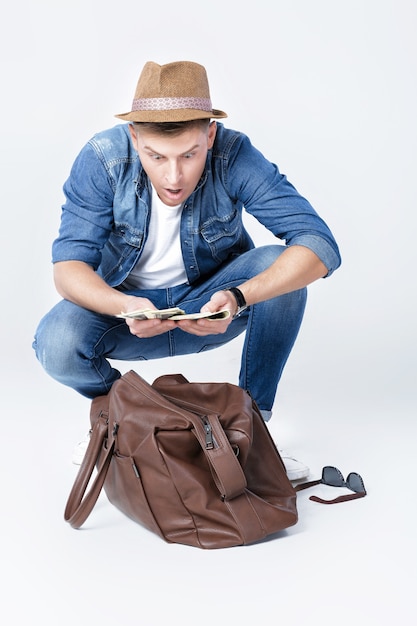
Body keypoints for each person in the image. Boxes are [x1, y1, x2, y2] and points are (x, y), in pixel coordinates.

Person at [33, 60, 341, 480]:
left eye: (189, 155)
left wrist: (238, 297)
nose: (173, 176)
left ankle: (250, 431)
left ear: (210, 135)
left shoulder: (234, 154)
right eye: (156, 156)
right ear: (133, 137)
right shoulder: (102, 159)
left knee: (280, 268)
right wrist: (124, 305)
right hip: (126, 317)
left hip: (214, 306)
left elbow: (318, 245)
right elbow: (68, 269)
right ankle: (118, 422)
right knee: (56, 340)